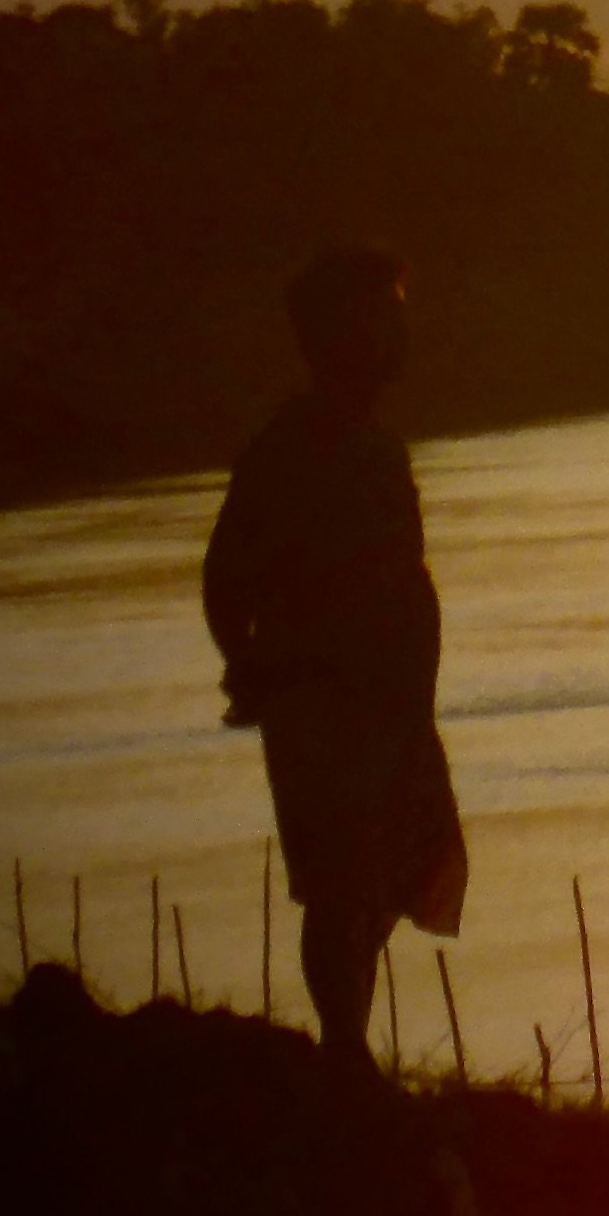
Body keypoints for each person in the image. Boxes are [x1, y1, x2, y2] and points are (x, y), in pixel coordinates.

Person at [204, 244, 467, 1073]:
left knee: (394, 870)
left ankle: (348, 1050)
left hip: (389, 707)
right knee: (344, 880)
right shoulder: (294, 448)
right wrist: (259, 670)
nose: (398, 330)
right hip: (331, 708)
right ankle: (346, 1053)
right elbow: (225, 579)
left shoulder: (372, 444)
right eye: (381, 314)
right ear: (340, 331)